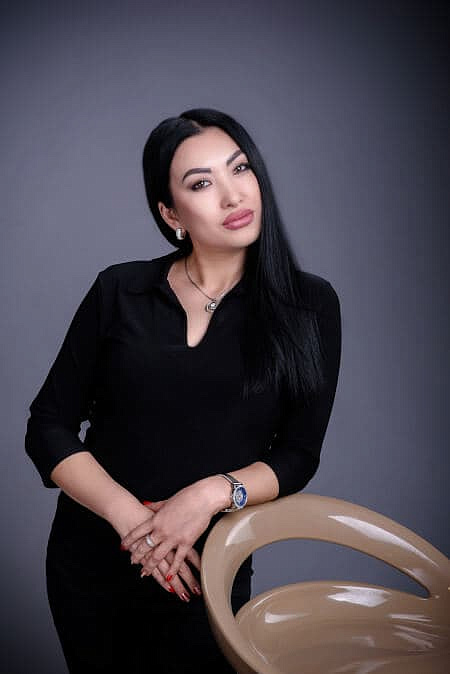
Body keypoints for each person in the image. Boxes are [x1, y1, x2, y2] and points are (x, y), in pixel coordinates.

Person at [25, 107, 342, 673]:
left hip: (206, 571)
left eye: (239, 169)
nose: (232, 195)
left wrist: (208, 496)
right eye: (201, 183)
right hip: (92, 564)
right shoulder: (120, 290)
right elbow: (48, 427)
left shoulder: (309, 306)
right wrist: (136, 525)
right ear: (171, 213)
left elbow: (298, 454)